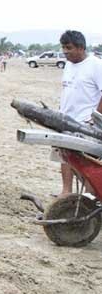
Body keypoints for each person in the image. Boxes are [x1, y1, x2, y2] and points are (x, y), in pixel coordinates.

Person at [56, 30, 102, 197]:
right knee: (65, 155)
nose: (65, 51)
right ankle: (66, 191)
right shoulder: (68, 65)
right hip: (66, 119)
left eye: (69, 47)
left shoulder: (96, 65)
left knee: (86, 161)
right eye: (63, 47)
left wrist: (94, 117)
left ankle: (90, 196)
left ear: (81, 47)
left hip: (85, 122)